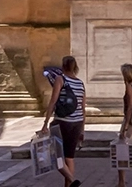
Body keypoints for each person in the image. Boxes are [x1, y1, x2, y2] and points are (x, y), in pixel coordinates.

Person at [43, 56, 86, 187]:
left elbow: (53, 101)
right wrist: (82, 129)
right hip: (77, 122)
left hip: (62, 122)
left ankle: (72, 181)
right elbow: (83, 108)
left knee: (56, 157)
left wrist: (45, 123)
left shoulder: (60, 79)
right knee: (69, 158)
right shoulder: (80, 83)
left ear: (63, 65)